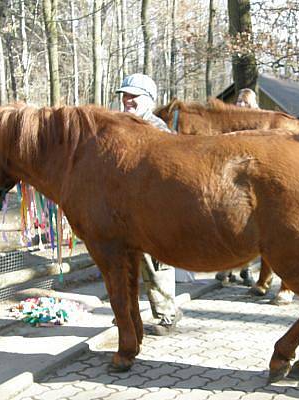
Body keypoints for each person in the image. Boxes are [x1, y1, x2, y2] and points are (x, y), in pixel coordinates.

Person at [115, 73, 183, 336]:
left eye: (134, 96)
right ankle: (127, 316)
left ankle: (167, 316)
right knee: (124, 265)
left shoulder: (158, 130)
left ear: (149, 100)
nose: (128, 100)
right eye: (125, 95)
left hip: (156, 209)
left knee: (157, 264)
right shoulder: (117, 125)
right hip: (124, 210)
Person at [214, 88, 259, 287]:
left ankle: (245, 269)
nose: (240, 105)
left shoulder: (258, 123)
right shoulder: (229, 122)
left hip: (249, 178)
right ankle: (226, 267)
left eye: (244, 102)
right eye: (239, 101)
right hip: (229, 176)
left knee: (247, 227)